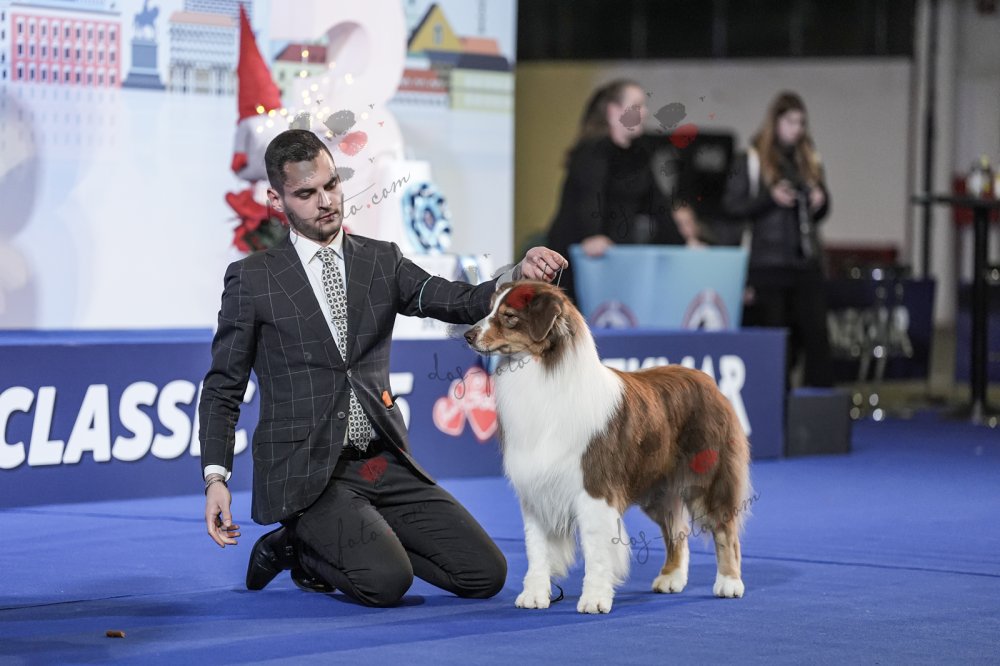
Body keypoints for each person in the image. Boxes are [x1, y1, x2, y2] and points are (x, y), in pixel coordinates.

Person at [199, 129, 568, 607]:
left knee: (484, 575)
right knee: (385, 582)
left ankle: (351, 536)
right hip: (306, 473)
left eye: (331, 185)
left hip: (380, 461)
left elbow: (456, 300)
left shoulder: (381, 260)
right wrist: (216, 478)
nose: (325, 201)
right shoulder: (252, 279)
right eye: (306, 194)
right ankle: (296, 546)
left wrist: (518, 276)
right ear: (276, 199)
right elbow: (223, 386)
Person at [722, 91, 833, 388]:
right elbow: (731, 207)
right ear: (776, 122)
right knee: (776, 341)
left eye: (801, 123)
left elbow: (821, 211)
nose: (796, 129)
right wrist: (769, 199)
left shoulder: (808, 159)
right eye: (790, 122)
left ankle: (817, 401)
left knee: (817, 335)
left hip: (805, 260)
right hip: (767, 264)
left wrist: (820, 200)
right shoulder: (751, 159)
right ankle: (776, 399)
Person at [545, 79, 685, 304]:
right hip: (575, 259)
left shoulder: (639, 155)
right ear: (613, 111)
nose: (645, 112)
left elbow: (658, 205)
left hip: (614, 259)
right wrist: (593, 235)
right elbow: (590, 197)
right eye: (637, 106)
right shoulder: (592, 151)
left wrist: (684, 245)